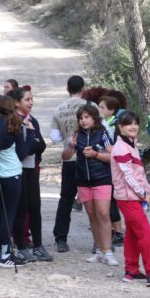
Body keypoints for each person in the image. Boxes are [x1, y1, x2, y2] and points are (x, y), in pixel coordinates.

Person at [61, 105, 117, 266]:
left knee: (103, 214)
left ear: (94, 118)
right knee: (92, 215)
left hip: (102, 179)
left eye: (86, 117)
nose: (83, 120)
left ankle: (108, 251)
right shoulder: (76, 135)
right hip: (83, 180)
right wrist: (71, 146)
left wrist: (96, 155)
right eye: (81, 118)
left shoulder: (103, 134)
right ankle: (99, 250)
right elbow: (65, 157)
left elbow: (113, 155)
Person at [110, 111, 150, 286]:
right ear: (120, 127)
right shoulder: (121, 147)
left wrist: (148, 189)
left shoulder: (131, 144)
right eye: (128, 124)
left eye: (135, 123)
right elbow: (128, 176)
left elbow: (139, 173)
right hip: (127, 198)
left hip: (132, 197)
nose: (133, 127)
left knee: (131, 234)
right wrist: (143, 194)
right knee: (145, 233)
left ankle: (131, 270)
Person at [50, 75, 95, 252]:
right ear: (83, 88)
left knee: (66, 199)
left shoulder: (59, 109)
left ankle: (60, 238)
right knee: (94, 200)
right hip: (90, 158)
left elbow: (54, 137)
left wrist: (67, 137)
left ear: (67, 89)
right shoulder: (90, 107)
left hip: (70, 158)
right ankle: (99, 241)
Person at [0, 95, 34, 268]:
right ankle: (5, 255)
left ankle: (3, 251)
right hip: (12, 174)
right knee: (9, 215)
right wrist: (30, 133)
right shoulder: (13, 125)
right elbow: (22, 153)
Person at [9, 87, 52, 263]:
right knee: (21, 209)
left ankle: (38, 246)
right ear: (17, 102)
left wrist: (33, 141)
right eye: (27, 99)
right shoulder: (13, 121)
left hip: (32, 167)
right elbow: (21, 151)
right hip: (17, 169)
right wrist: (31, 140)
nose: (31, 102)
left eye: (32, 99)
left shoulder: (32, 119)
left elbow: (41, 145)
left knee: (35, 207)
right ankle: (21, 247)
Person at [97, 95, 125, 246]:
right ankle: (114, 230)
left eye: (102, 107)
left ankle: (118, 231)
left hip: (112, 167)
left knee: (112, 200)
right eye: (99, 106)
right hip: (106, 165)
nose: (99, 109)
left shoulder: (113, 126)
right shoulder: (104, 123)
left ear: (111, 110)